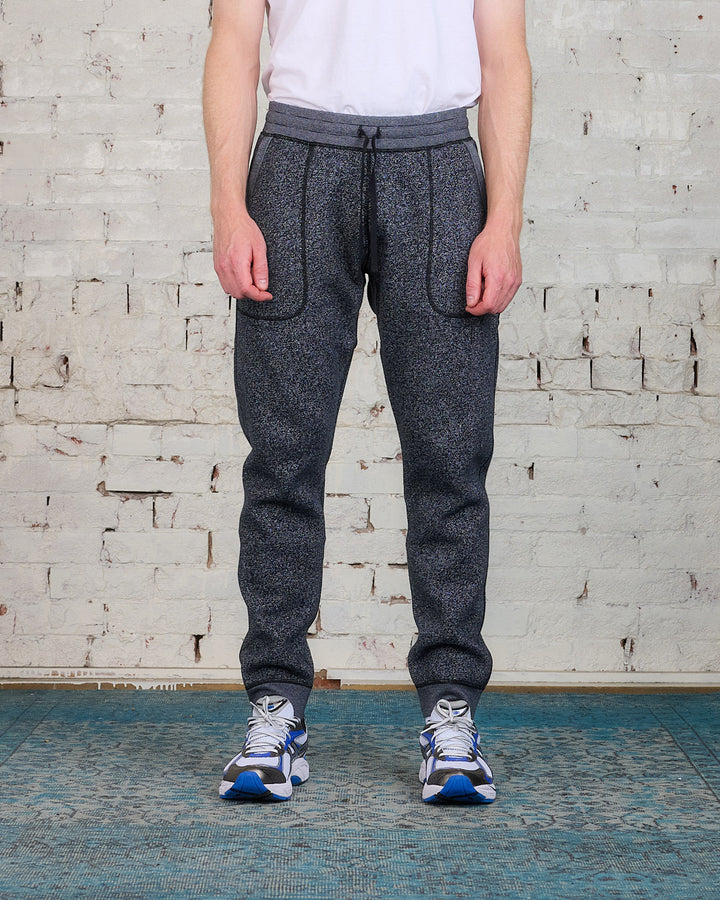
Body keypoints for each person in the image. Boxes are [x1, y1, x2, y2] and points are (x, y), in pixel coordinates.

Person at [203, 0, 532, 804]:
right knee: (282, 458)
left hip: (439, 168)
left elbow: (505, 60)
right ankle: (275, 708)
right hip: (295, 165)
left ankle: (451, 714)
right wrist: (227, 207)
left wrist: (504, 222)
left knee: (451, 458)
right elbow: (234, 41)